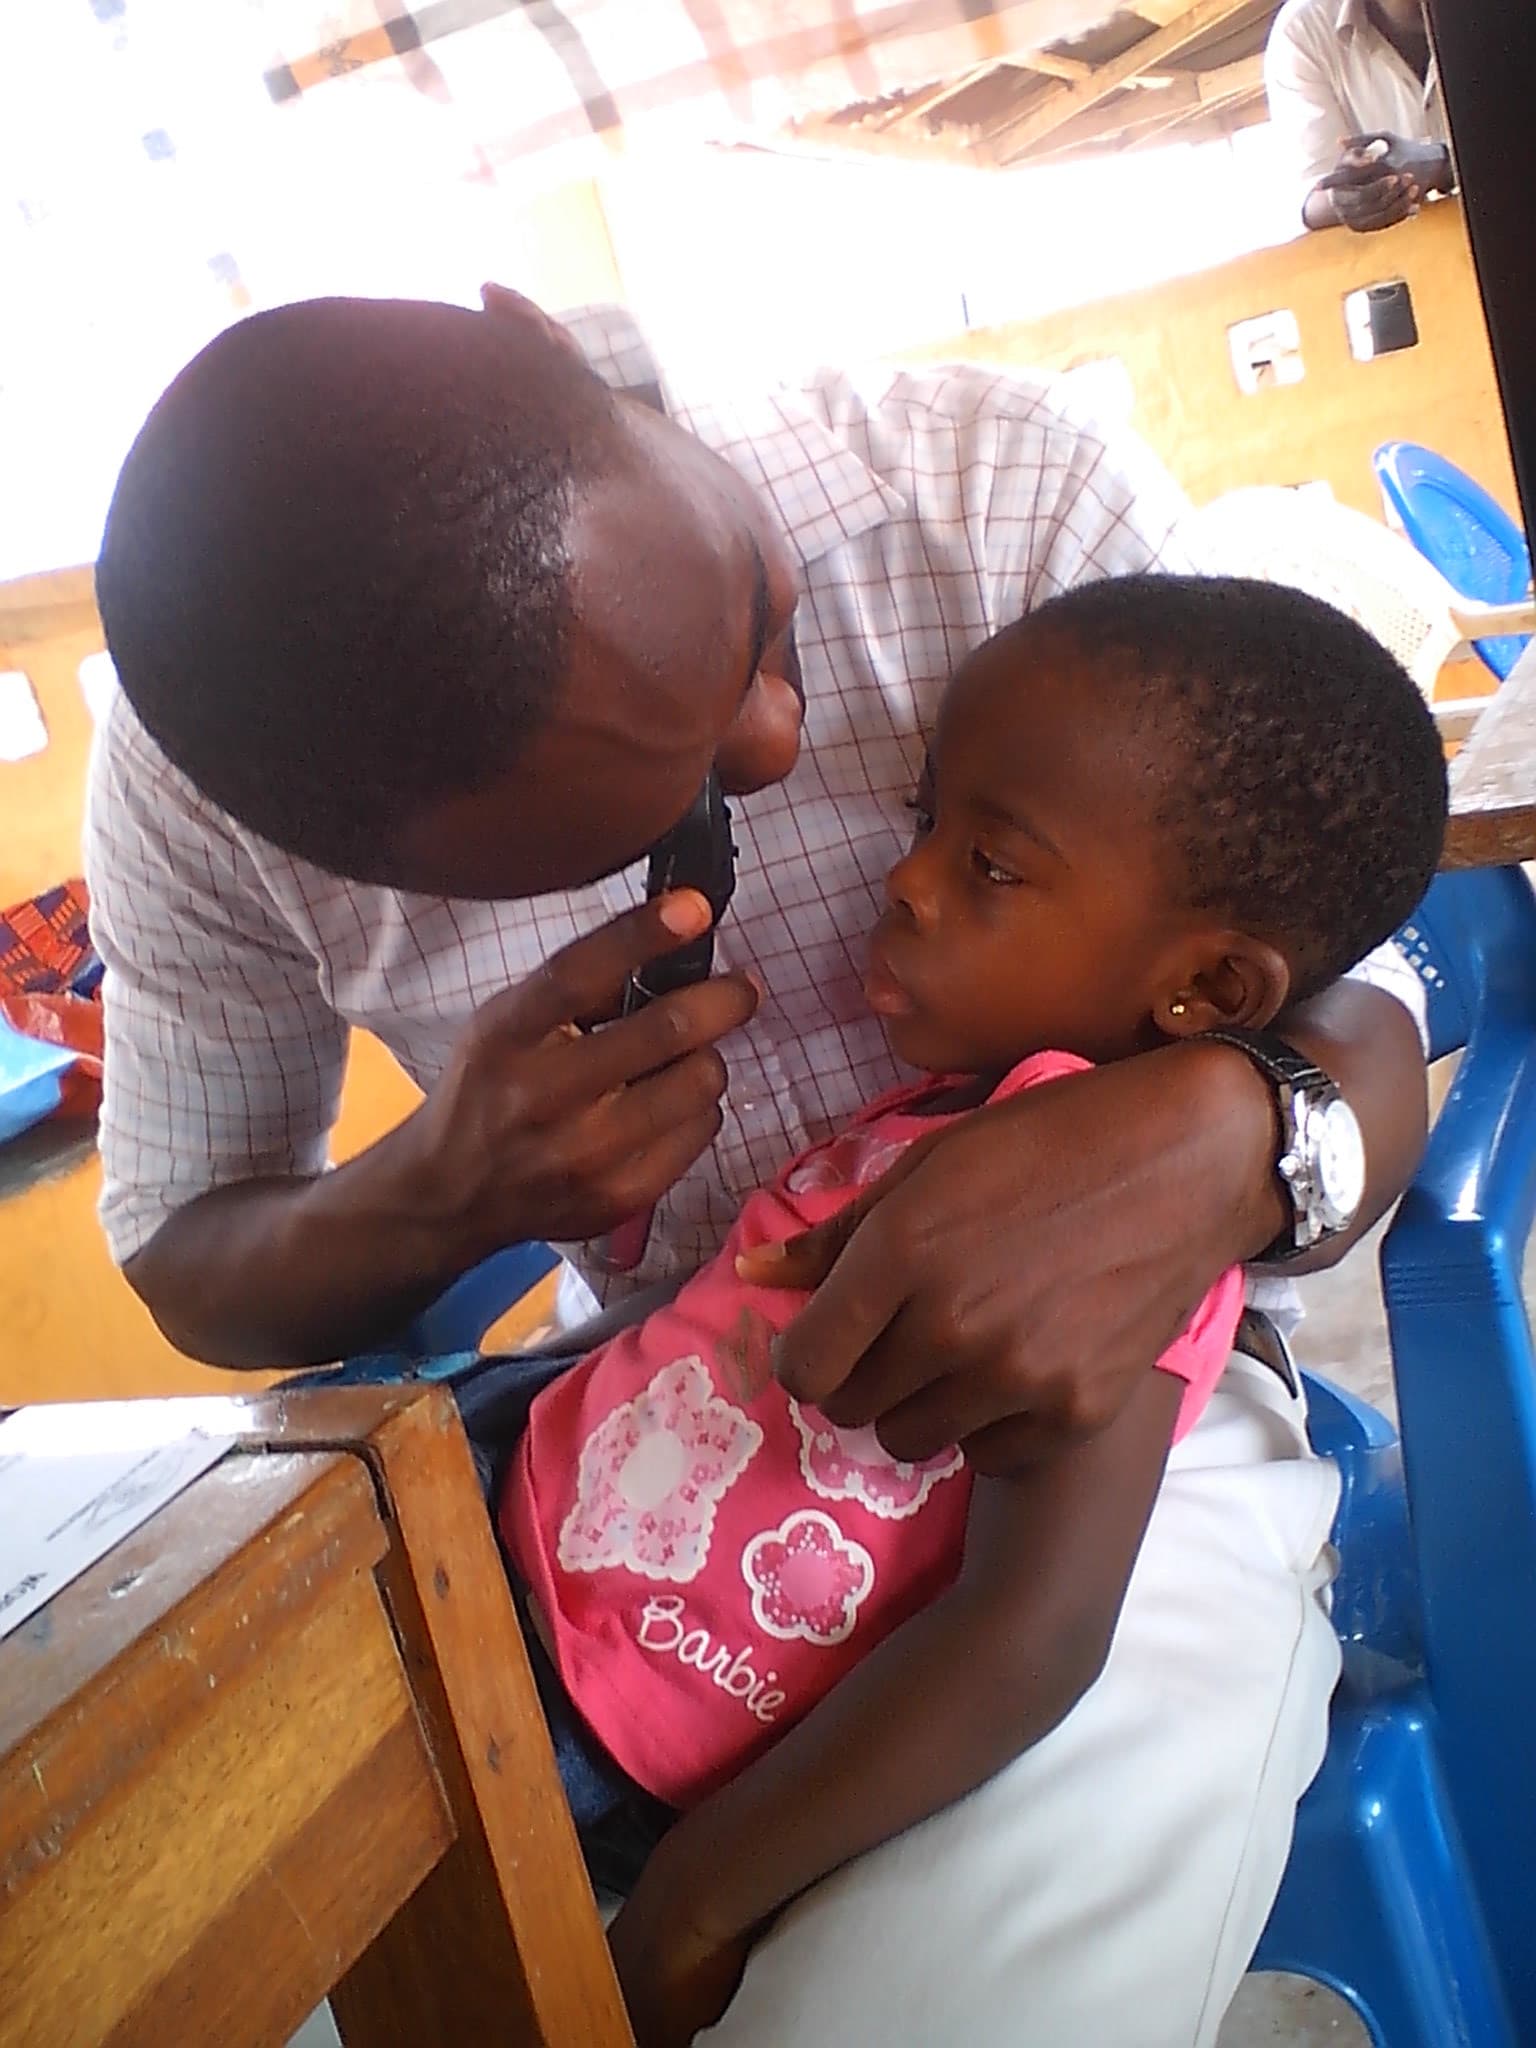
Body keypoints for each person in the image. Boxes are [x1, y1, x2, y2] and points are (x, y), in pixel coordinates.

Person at [86, 292, 1433, 2045]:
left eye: (745, 623)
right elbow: (187, 1254)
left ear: (550, 345)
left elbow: (1355, 961)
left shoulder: (997, 489)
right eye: (624, 824)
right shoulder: (205, 784)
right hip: (643, 1406)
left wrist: (1223, 1138)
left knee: (931, 1996)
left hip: (1102, 1393)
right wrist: (440, 1188)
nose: (782, 747)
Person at [484, 572, 1447, 2046]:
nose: (907, 880)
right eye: (926, 818)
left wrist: (696, 1900)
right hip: (513, 1509)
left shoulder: (1111, 1242)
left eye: (990, 863)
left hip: (603, 1729)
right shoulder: (958, 1102)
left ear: (1205, 988)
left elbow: (1029, 1636)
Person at [1265, 0, 1456, 232]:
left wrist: (1443, 163)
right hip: (1407, 250)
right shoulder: (1303, 29)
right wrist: (1351, 196)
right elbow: (1309, 194)